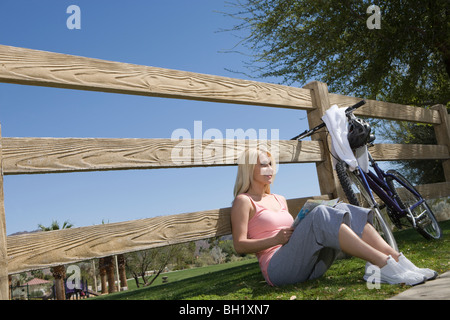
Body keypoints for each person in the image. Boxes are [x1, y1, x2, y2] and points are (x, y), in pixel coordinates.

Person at [230, 148, 437, 287]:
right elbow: (240, 246)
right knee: (320, 214)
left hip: (309, 266)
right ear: (249, 169)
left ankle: (397, 259)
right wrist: (275, 240)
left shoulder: (279, 198)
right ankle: (382, 264)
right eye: (263, 165)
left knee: (343, 207)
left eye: (271, 164)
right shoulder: (244, 201)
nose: (270, 169)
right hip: (279, 269)